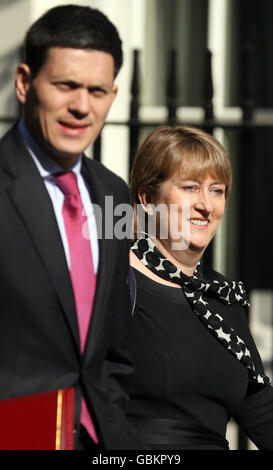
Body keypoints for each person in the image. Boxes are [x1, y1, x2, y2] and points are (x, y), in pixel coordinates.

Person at [0, 4, 140, 450]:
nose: (82, 106)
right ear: (24, 83)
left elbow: (114, 346)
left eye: (97, 91)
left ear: (114, 96)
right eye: (66, 86)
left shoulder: (115, 194)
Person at [125, 125, 273, 450]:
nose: (206, 205)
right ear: (147, 198)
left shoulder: (220, 296)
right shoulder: (116, 281)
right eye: (190, 188)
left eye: (217, 190)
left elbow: (260, 408)